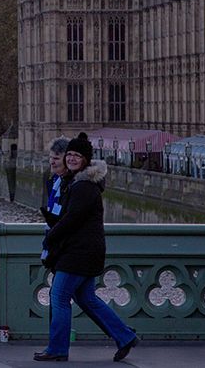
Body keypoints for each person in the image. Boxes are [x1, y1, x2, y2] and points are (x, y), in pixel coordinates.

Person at [35, 132, 138, 363]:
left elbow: (72, 219)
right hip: (86, 251)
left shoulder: (83, 187)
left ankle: (58, 348)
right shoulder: (79, 183)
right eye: (68, 154)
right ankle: (125, 336)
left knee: (59, 297)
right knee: (87, 299)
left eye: (76, 155)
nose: (70, 158)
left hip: (78, 253)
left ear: (85, 160)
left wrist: (51, 236)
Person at [40, 137, 69, 264]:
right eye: (51, 157)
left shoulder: (71, 185)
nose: (51, 162)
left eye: (56, 158)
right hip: (59, 250)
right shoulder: (55, 182)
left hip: (69, 253)